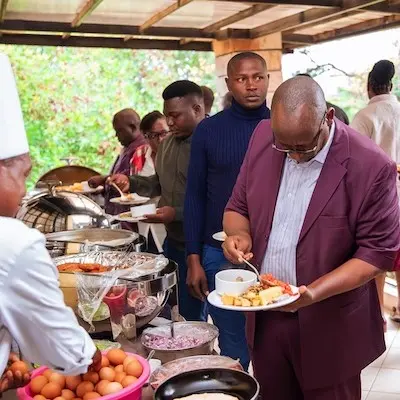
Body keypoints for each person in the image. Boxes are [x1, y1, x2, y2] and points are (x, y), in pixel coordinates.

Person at [223, 76, 399, 399]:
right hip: (267, 318)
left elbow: (377, 254)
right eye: (284, 146)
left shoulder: (371, 165)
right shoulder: (263, 136)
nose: (293, 156)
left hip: (331, 324)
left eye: (303, 147)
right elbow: (238, 206)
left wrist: (313, 293)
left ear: (327, 118)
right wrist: (239, 235)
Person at [0, 53, 101, 396]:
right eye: (23, 174)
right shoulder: (12, 241)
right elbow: (65, 350)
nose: (25, 189)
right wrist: (90, 355)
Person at [184, 52, 270, 370]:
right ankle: (240, 388)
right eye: (242, 78)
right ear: (229, 83)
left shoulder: (281, 127)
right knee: (233, 343)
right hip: (218, 252)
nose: (251, 85)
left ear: (267, 80)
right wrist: (193, 257)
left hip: (271, 250)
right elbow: (194, 196)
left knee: (273, 339)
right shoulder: (208, 130)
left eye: (258, 77)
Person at [109, 80, 206, 321]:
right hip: (174, 241)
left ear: (197, 109)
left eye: (175, 116)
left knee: (207, 310)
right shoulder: (168, 144)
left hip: (203, 245)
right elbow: (158, 182)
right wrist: (131, 182)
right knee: (181, 309)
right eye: (167, 116)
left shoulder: (210, 142)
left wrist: (176, 213)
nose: (169, 123)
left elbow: (215, 198)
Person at [351, 60, 400, 326]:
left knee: (377, 259)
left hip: (378, 201)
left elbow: (354, 163)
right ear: (391, 85)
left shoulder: (365, 116)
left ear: (369, 86)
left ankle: (378, 315)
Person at [88, 108, 146, 216]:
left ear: (133, 127)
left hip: (132, 217)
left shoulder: (142, 149)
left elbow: (134, 181)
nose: (116, 135)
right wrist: (103, 184)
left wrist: (104, 179)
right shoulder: (127, 148)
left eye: (119, 130)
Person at [131, 111, 170, 177]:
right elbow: (134, 181)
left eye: (164, 133)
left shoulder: (178, 153)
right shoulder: (140, 153)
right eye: (154, 135)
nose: (160, 139)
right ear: (145, 137)